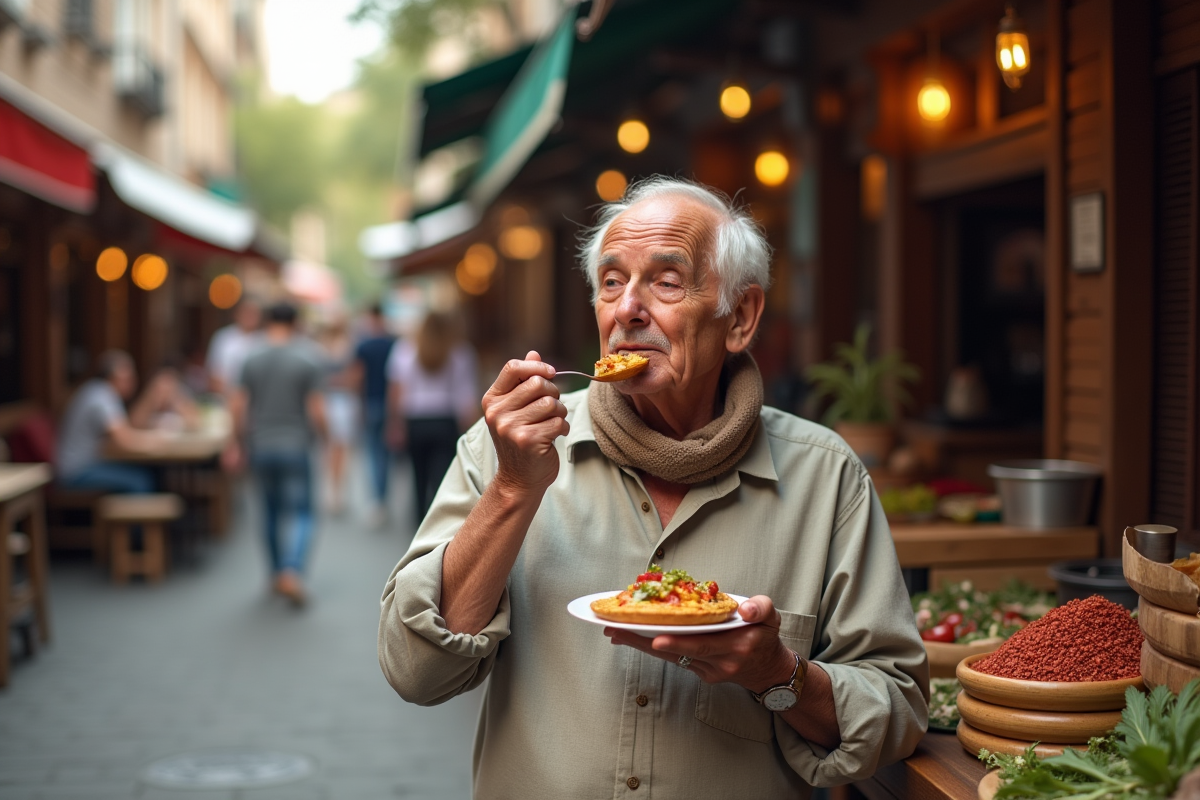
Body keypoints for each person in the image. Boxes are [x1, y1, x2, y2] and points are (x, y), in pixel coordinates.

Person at [378, 178, 928, 797]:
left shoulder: (825, 478)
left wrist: (777, 672)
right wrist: (510, 491)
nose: (627, 309)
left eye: (666, 282)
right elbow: (415, 671)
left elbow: (898, 713)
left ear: (740, 317)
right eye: (611, 283)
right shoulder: (507, 449)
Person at [226, 302, 326, 606]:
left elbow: (238, 405)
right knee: (302, 512)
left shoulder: (251, 357)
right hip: (296, 445)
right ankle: (291, 570)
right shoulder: (308, 357)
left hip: (261, 445)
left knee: (268, 511)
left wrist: (237, 442)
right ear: (295, 322)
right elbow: (316, 409)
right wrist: (326, 437)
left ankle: (274, 574)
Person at [385, 311, 479, 524]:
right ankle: (440, 522)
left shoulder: (405, 349)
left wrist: (394, 422)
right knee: (443, 476)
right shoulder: (460, 351)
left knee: (418, 475)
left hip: (415, 419)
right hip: (445, 420)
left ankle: (419, 521)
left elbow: (397, 390)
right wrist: (473, 428)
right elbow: (466, 395)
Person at [56, 350, 169, 493]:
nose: (132, 383)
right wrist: (155, 441)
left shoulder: (95, 390)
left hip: (84, 465)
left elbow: (128, 427)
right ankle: (135, 515)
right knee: (140, 480)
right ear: (112, 377)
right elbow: (124, 440)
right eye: (127, 378)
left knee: (147, 472)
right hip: (76, 471)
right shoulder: (102, 396)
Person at [352, 302, 395, 527]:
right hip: (389, 404)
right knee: (385, 454)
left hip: (370, 402)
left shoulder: (364, 345)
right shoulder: (394, 342)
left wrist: (358, 405)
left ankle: (378, 501)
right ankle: (383, 498)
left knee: (372, 453)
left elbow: (358, 378)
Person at [317, 317, 357, 514]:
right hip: (337, 401)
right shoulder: (345, 346)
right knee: (337, 447)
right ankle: (335, 491)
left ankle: (334, 490)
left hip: (337, 401)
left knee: (334, 447)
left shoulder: (325, 347)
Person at [206, 297, 263, 397]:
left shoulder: (264, 340)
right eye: (246, 312)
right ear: (237, 314)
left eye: (253, 313)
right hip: (226, 397)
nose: (249, 316)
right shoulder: (223, 337)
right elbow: (214, 373)